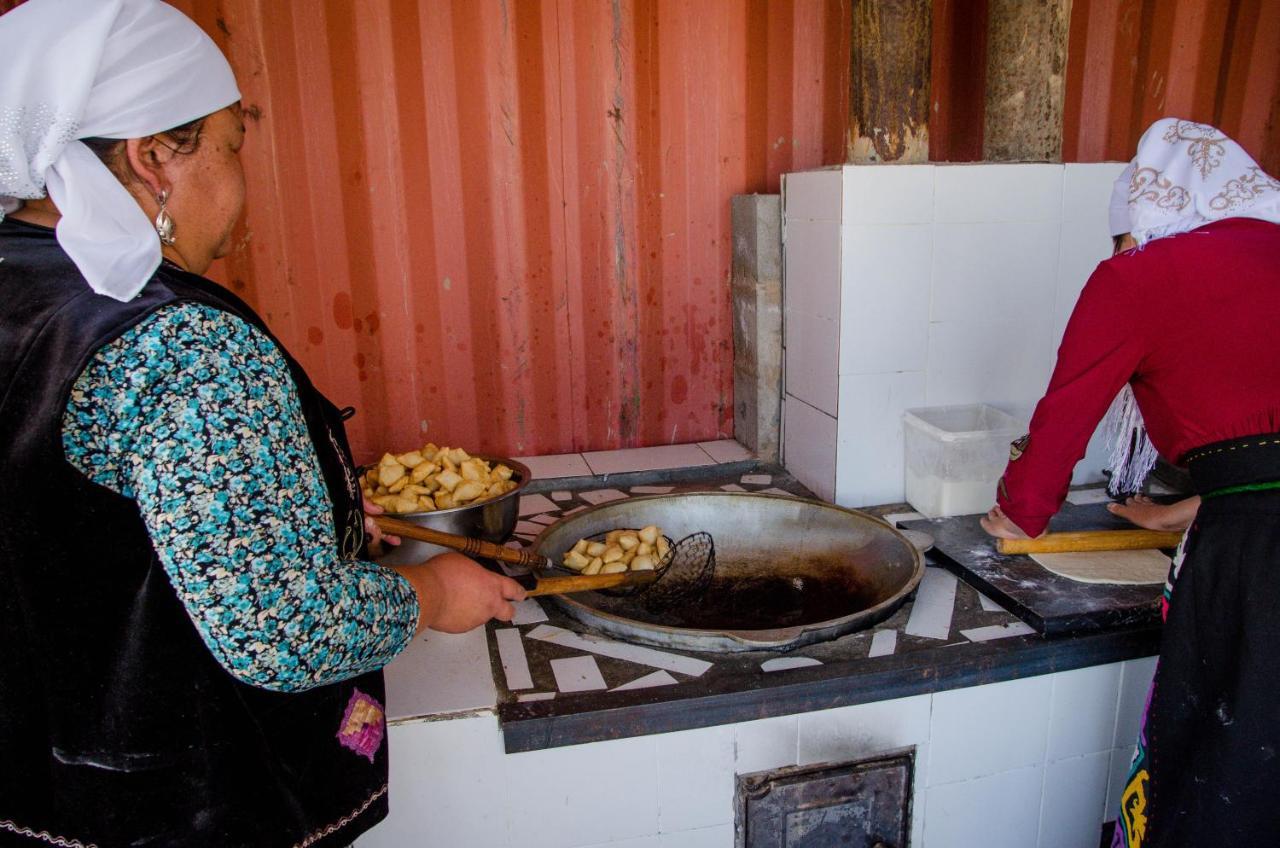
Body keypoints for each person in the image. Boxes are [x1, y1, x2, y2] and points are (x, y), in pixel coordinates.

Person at [0, 1, 525, 846]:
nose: (240, 186)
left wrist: (311, 509)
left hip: (43, 783)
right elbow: (285, 631)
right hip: (182, 803)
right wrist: (431, 594)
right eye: (231, 147)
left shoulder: (19, 282)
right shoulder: (179, 341)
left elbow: (84, 519)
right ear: (153, 159)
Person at [981, 117, 1280, 846]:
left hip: (1260, 565)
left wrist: (1023, 511)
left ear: (1150, 214)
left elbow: (1067, 410)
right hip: (1246, 513)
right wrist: (1199, 506)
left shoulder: (1143, 274)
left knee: (1232, 763)